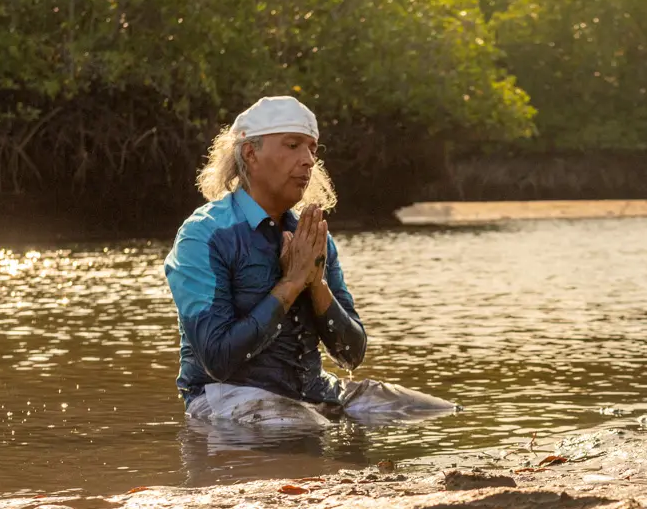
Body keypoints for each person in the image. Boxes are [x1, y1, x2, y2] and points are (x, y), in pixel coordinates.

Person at [164, 95, 455, 427]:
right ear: (250, 153)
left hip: (312, 391)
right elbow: (217, 358)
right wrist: (290, 285)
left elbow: (352, 354)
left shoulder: (313, 234)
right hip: (224, 395)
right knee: (306, 429)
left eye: (312, 149)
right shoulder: (204, 235)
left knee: (433, 412)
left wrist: (316, 284)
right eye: (292, 146)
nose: (307, 161)